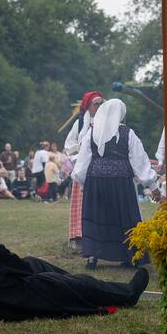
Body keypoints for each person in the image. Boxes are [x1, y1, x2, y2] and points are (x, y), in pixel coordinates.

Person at [0, 203, 149, 322]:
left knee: (34, 262)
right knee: (76, 283)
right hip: (23, 299)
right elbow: (23, 271)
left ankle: (68, 280)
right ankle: (127, 294)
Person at [72, 99, 160, 269]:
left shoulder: (92, 133)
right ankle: (128, 256)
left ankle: (93, 256)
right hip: (120, 184)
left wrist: (84, 183)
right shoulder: (128, 133)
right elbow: (139, 161)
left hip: (96, 181)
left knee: (98, 216)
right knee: (124, 217)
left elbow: (83, 161)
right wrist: (152, 186)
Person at [64, 91, 103, 252]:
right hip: (83, 169)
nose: (99, 106)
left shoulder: (107, 121)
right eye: (96, 103)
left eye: (101, 103)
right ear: (88, 106)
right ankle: (78, 238)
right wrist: (78, 151)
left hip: (100, 168)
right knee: (80, 205)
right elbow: (69, 144)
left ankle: (98, 237)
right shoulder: (80, 123)